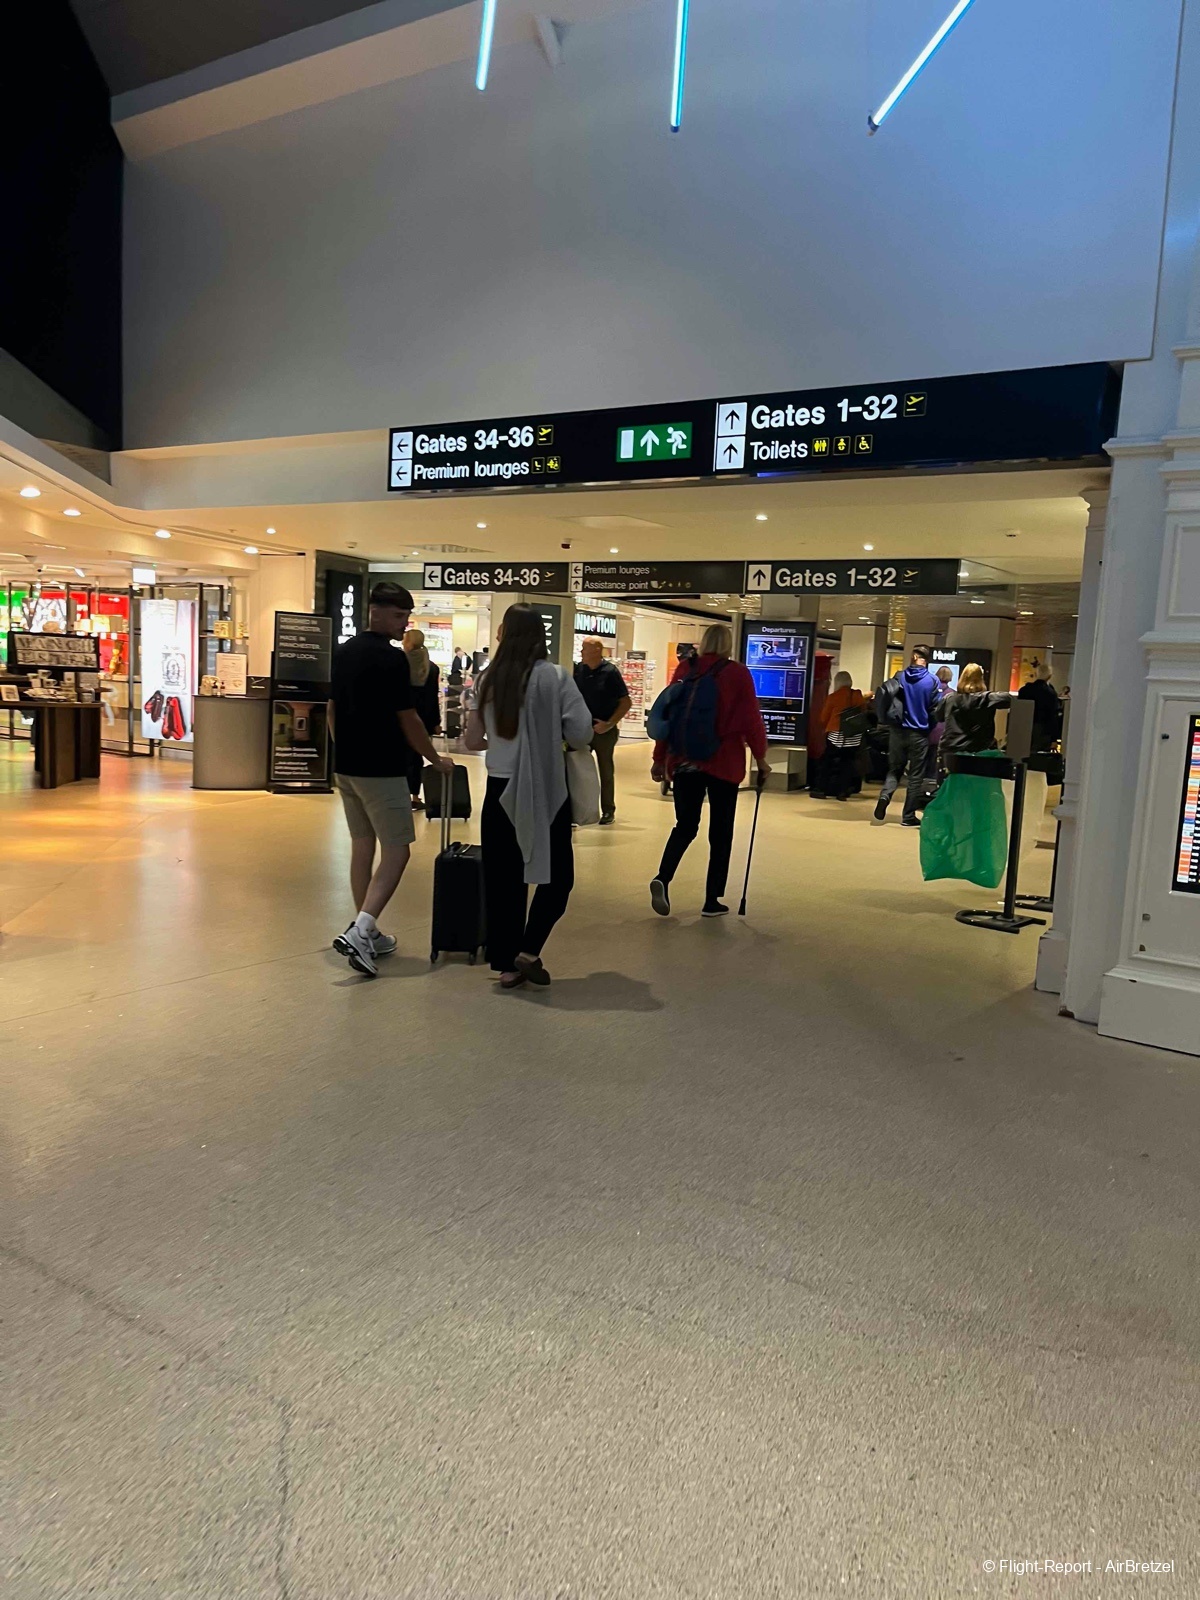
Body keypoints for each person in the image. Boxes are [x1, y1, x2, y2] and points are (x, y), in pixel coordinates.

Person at [329, 582, 455, 977]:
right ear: (377, 612)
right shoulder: (392, 659)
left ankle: (366, 928)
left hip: (347, 767)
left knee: (362, 845)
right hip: (381, 768)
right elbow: (409, 718)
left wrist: (343, 748)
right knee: (398, 851)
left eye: (407, 616)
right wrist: (434, 758)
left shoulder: (344, 651)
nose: (404, 624)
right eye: (399, 616)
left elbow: (331, 709)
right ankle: (361, 930)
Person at [465, 604, 593, 990]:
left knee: (504, 879)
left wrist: (502, 745)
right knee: (558, 877)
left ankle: (507, 965)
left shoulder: (487, 679)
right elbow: (582, 732)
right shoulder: (555, 677)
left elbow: (472, 740)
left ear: (505, 632)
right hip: (544, 789)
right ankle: (529, 949)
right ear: (540, 635)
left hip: (499, 789)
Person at [649, 623, 770, 918]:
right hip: (724, 762)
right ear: (728, 644)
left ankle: (663, 877)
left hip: (685, 760)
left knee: (685, 826)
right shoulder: (737, 673)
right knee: (721, 832)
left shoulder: (685, 669)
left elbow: (669, 715)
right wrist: (761, 758)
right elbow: (751, 719)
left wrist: (659, 757)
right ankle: (711, 900)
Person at [873, 645, 942, 827]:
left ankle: (885, 796)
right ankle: (908, 816)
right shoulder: (932, 681)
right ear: (927, 660)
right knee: (915, 776)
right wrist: (929, 727)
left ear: (913, 657)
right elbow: (935, 711)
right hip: (919, 733)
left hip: (897, 731)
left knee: (894, 769)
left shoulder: (900, 676)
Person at [573, 638, 632, 824]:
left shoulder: (610, 672)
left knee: (606, 770)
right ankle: (578, 810)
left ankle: (608, 810)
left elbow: (625, 702)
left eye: (585, 648)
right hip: (582, 729)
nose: (581, 652)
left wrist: (609, 723)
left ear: (597, 650)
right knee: (578, 770)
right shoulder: (578, 670)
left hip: (604, 731)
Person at [401, 627, 441, 808]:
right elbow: (432, 698)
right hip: (422, 719)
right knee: (416, 758)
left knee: (399, 756)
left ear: (409, 642)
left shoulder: (399, 662)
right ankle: (415, 796)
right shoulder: (431, 667)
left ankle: (400, 794)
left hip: (400, 717)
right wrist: (436, 723)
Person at [935, 662, 1011, 755]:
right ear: (981, 680)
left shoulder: (949, 698)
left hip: (950, 751)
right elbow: (1010, 699)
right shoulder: (987, 699)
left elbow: (938, 717)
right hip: (978, 752)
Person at [817, 670, 869, 800]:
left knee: (827, 762)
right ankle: (842, 792)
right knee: (848, 764)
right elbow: (863, 712)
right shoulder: (857, 695)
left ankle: (822, 789)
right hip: (854, 735)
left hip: (837, 735)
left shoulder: (833, 697)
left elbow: (823, 718)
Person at [1018, 661, 1062, 750]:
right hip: (1043, 731)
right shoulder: (1051, 693)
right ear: (1049, 676)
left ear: (1035, 674)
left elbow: (1019, 712)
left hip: (1024, 728)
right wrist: (1054, 739)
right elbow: (1052, 716)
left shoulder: (1024, 690)